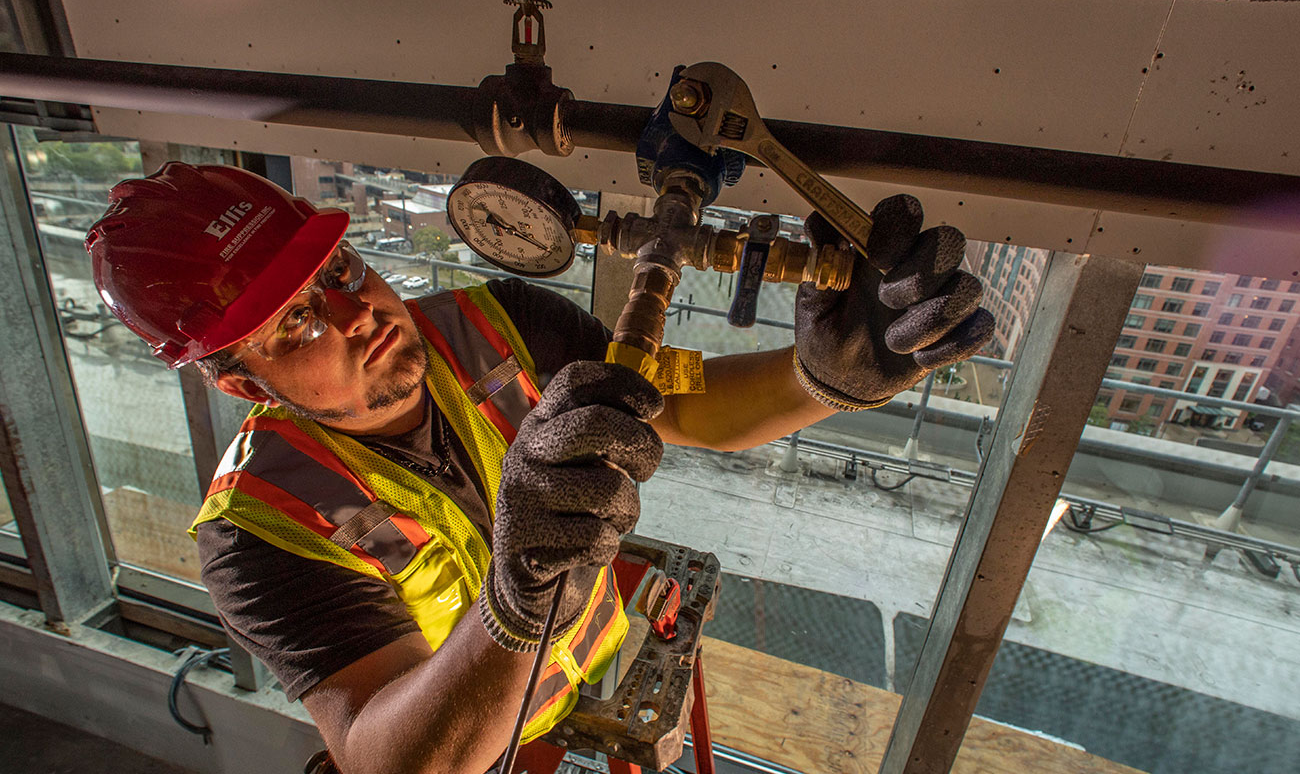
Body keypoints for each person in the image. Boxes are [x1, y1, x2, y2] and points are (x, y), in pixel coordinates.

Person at [86, 162, 992, 774]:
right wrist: (517, 601)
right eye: (292, 323)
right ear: (240, 380)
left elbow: (684, 408)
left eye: (340, 271)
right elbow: (383, 755)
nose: (353, 311)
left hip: (584, 671)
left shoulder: (500, 323)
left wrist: (824, 379)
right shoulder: (259, 531)